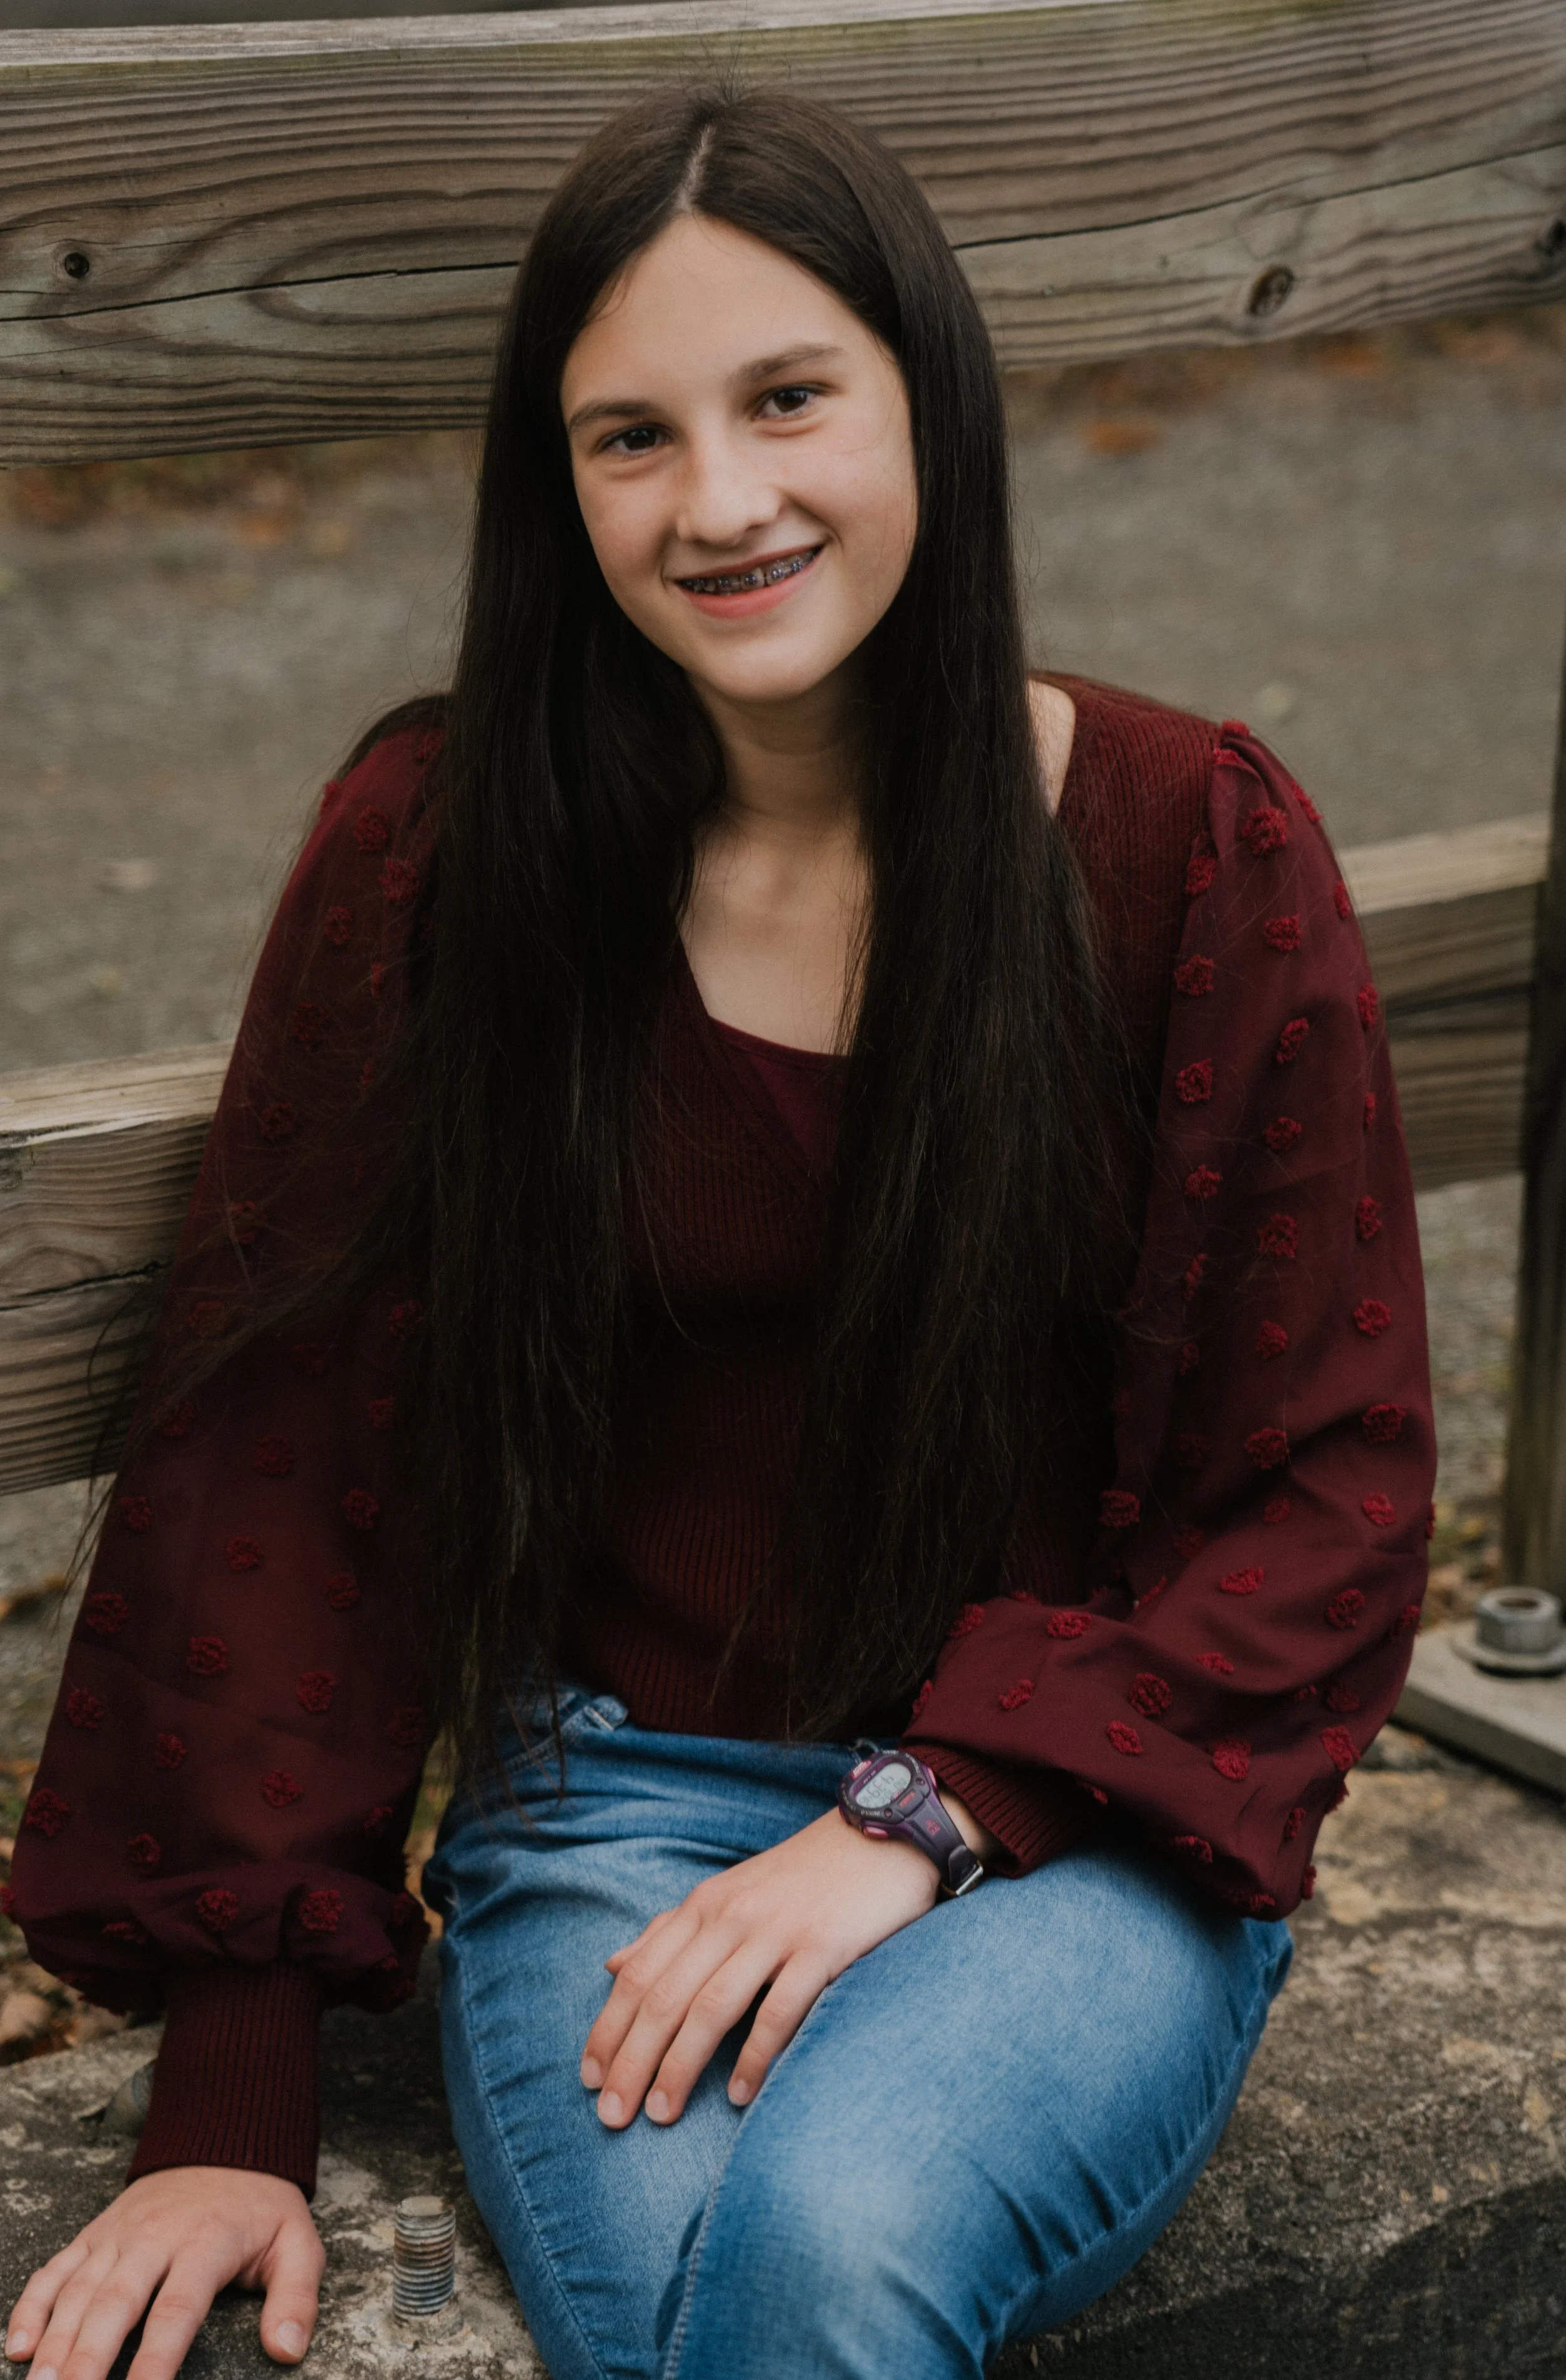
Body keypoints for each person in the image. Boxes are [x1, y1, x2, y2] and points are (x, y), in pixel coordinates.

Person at [6, 83, 1432, 2380]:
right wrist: (232, 2092)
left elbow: (1327, 1485)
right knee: (738, 2306)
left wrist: (929, 1812)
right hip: (616, 1811)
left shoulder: (1190, 844)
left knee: (836, 2245)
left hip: (1078, 1822)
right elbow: (276, 1462)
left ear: (925, 407)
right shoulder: (439, 852)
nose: (722, 500)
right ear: (554, 490)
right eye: (628, 438)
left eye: (787, 399)